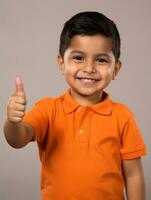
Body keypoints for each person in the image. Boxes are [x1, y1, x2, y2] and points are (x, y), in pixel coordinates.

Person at [4, 11, 146, 200]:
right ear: (61, 63)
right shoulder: (48, 110)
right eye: (78, 57)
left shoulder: (123, 116)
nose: (89, 68)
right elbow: (18, 139)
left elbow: (133, 175)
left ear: (115, 69)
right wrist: (12, 122)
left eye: (101, 60)